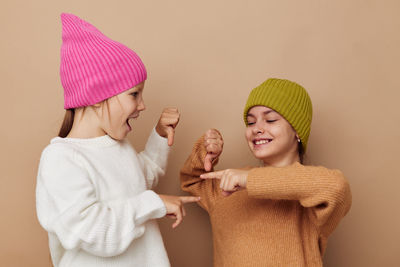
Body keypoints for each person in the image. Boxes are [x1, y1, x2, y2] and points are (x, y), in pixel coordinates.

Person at [36, 13, 199, 267]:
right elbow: (94, 230)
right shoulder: (61, 159)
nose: (142, 105)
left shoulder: (117, 147)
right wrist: (153, 203)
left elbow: (138, 182)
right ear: (97, 96)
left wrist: (159, 135)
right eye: (134, 94)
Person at [180, 78, 352, 266]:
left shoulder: (311, 197)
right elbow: (193, 181)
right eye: (251, 122)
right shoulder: (229, 186)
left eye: (270, 120)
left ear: (297, 131)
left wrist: (250, 180)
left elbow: (336, 188)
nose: (257, 129)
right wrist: (205, 153)